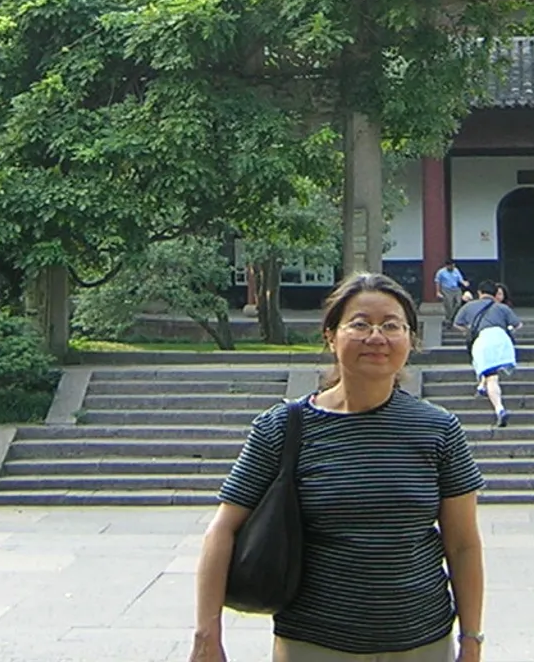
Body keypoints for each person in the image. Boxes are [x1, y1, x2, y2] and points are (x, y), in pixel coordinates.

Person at [192, 273, 487, 662]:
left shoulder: (439, 429)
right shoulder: (282, 427)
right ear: (331, 335)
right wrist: (207, 635)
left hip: (421, 641)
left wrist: (471, 640)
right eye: (360, 324)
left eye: (392, 326)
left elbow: (463, 544)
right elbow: (222, 529)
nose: (376, 337)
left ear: (410, 340)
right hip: (313, 642)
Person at [454, 280, 521, 428]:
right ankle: (481, 386)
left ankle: (499, 408)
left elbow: (457, 323)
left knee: (492, 376)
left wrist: (469, 330)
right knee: (491, 369)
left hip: (483, 339)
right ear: (495, 293)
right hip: (502, 340)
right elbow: (518, 324)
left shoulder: (469, 306)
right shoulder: (502, 308)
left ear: (479, 292)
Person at [435, 259, 469, 325]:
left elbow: (460, 278)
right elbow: (437, 282)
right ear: (447, 266)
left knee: (458, 303)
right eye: (451, 266)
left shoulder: (456, 270)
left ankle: (453, 317)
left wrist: (464, 283)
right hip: (446, 290)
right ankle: (449, 319)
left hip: (456, 289)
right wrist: (438, 292)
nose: (452, 267)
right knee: (449, 305)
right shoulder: (441, 272)